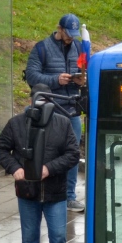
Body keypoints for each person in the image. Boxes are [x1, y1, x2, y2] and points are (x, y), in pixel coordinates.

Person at [0, 97, 80, 243]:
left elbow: (73, 154)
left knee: (58, 238)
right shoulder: (16, 123)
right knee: (30, 241)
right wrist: (15, 168)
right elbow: (0, 149)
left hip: (55, 194)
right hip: (27, 193)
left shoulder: (63, 123)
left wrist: (49, 169)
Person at [25, 14, 85, 211]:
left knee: (72, 153)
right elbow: (32, 76)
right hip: (50, 109)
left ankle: (69, 195)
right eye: (67, 34)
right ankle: (43, 191)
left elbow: (87, 70)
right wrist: (55, 80)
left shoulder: (78, 48)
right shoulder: (41, 48)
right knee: (48, 152)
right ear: (59, 29)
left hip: (72, 108)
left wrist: (81, 80)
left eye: (73, 35)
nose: (70, 38)